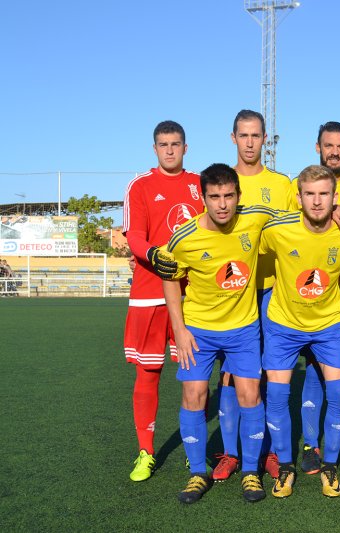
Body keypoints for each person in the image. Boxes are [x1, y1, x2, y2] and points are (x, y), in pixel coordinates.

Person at [162, 163, 280, 504]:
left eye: (229, 195)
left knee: (249, 395)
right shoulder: (184, 237)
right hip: (198, 330)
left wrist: (337, 210)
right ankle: (198, 473)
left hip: (243, 328)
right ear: (203, 198)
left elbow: (297, 220)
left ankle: (250, 472)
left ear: (239, 196)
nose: (223, 204)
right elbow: (169, 277)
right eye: (214, 197)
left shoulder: (255, 218)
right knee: (194, 394)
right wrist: (179, 329)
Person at [260, 165, 340, 498]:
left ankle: (330, 465)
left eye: (324, 194)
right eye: (310, 194)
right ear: (298, 197)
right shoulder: (277, 230)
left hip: (328, 325)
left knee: (339, 396)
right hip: (284, 325)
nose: (317, 201)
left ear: (335, 197)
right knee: (277, 396)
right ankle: (286, 466)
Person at [212, 109, 294, 483]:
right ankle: (231, 453)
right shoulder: (223, 184)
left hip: (272, 291)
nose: (249, 142)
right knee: (231, 374)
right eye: (243, 135)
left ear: (265, 139)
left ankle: (272, 453)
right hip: (234, 294)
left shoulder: (282, 185)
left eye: (255, 135)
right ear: (233, 138)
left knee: (272, 373)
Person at [122, 120, 204, 482]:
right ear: (154, 149)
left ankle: (195, 452)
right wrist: (154, 254)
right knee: (148, 371)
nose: (169, 150)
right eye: (163, 144)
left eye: (175, 144)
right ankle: (146, 451)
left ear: (185, 148)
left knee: (193, 374)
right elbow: (135, 237)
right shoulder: (140, 185)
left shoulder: (200, 184)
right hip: (149, 294)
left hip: (193, 295)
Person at [290, 122, 340, 476]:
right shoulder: (301, 184)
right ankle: (311, 444)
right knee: (314, 367)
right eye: (328, 145)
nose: (334, 151)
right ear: (317, 147)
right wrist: (324, 210)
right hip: (315, 294)